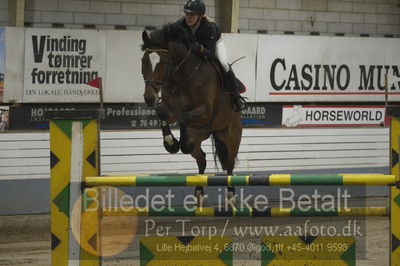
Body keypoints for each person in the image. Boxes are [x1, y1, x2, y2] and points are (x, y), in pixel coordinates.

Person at [174, 0, 246, 112]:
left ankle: (236, 96)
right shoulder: (180, 25)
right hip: (193, 49)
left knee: (222, 62)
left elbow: (211, 54)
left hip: (214, 44)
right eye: (186, 13)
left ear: (200, 16)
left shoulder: (209, 28)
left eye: (192, 14)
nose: (188, 17)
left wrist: (199, 48)